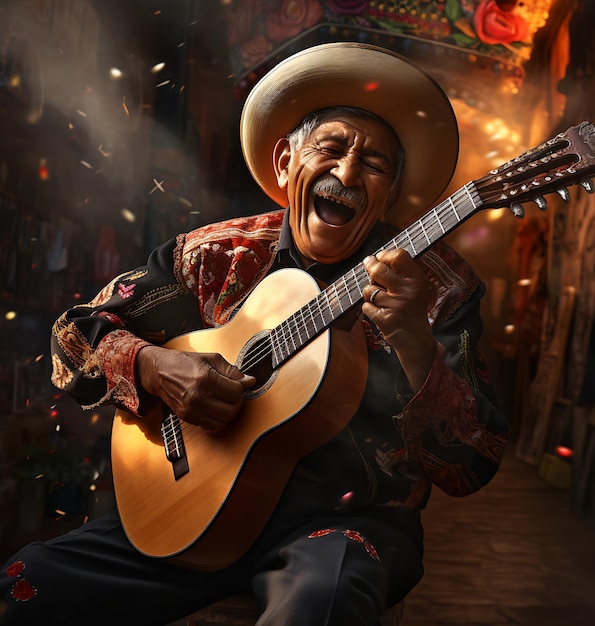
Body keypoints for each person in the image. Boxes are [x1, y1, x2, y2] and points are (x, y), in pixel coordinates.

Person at [0, 42, 508, 625]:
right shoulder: (213, 254)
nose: (347, 172)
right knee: (24, 587)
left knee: (321, 603)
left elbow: (475, 463)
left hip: (345, 527)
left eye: (374, 165)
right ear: (286, 163)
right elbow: (73, 338)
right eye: (332, 148)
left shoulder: (441, 287)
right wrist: (152, 366)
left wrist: (416, 343)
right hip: (188, 509)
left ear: (390, 196)